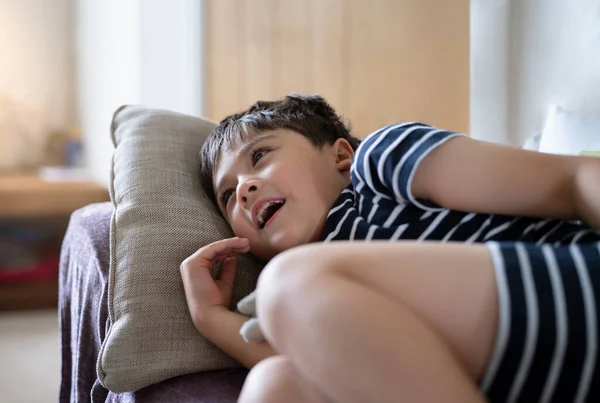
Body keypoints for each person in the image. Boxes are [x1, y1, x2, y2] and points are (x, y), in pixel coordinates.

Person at [179, 93, 600, 403]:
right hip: (534, 380)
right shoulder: (300, 295)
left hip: (575, 303)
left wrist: (286, 288)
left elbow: (571, 180)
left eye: (261, 155)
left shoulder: (379, 162)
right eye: (229, 196)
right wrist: (210, 317)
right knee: (272, 387)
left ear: (340, 154)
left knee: (288, 286)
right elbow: (329, 356)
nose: (246, 190)